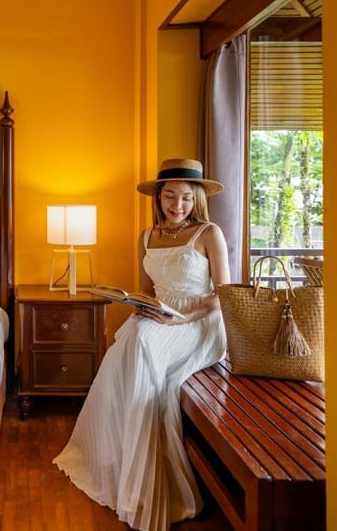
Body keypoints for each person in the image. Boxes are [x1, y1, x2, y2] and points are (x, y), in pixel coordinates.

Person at [53, 157, 231, 531]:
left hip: (197, 323)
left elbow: (224, 295)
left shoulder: (208, 233)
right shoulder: (146, 237)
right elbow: (147, 290)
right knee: (127, 343)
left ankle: (146, 475)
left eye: (186, 197)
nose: (177, 205)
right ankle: (122, 460)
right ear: (158, 197)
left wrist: (181, 317)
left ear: (197, 199)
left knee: (139, 344)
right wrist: (138, 304)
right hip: (158, 318)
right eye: (170, 196)